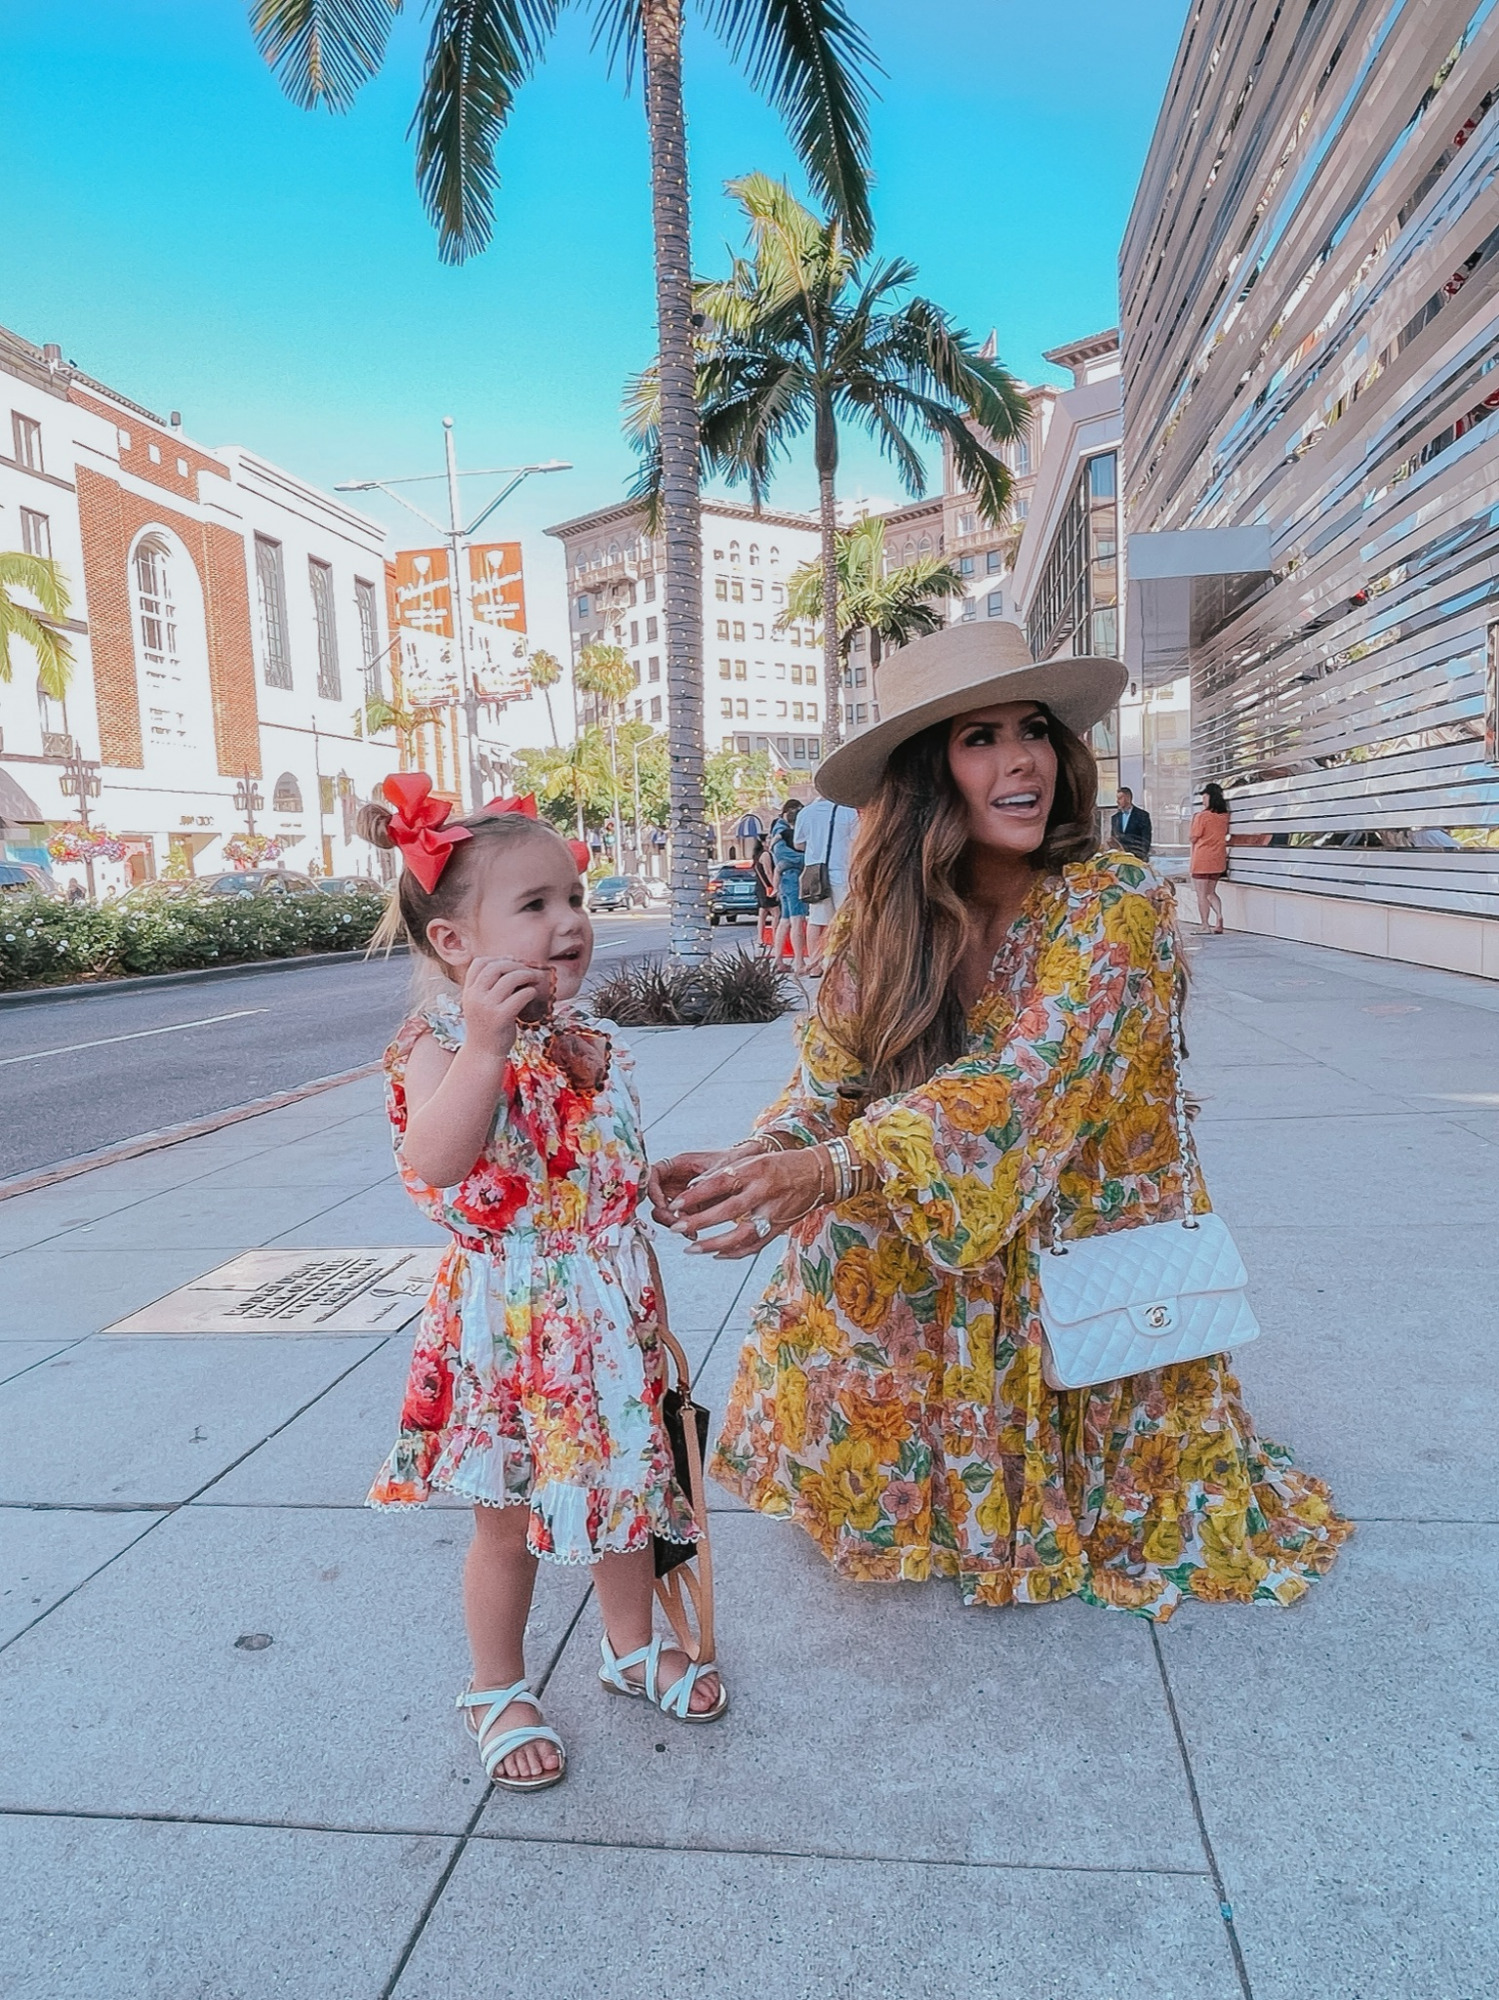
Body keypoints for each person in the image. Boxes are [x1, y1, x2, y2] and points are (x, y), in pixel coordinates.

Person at [650, 620, 1348, 1620]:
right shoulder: (883, 917)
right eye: (978, 736)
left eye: (1029, 730)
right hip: (966, 1215)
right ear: (929, 774)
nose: (1019, 758)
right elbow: (829, 1082)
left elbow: (1022, 1081)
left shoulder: (1111, 902)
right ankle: (913, 1478)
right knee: (842, 1212)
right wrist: (758, 1157)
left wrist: (832, 1167)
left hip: (1075, 1223)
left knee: (857, 1179)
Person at [359, 773, 725, 1794]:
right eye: (535, 904)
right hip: (506, 1326)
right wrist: (481, 1046)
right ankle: (495, 1682)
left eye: (576, 898)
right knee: (502, 1516)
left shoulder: (579, 1040)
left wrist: (640, 1182)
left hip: (605, 1317)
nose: (569, 921)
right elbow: (435, 1159)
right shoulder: (436, 1044)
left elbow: (575, 1159)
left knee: (628, 1491)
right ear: (453, 945)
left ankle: (627, 1640)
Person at [793, 794, 858, 973]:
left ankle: (815, 966)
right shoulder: (849, 812)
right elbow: (855, 843)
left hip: (815, 874)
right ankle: (840, 965)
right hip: (841, 872)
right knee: (844, 920)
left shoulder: (805, 813)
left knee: (816, 920)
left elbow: (798, 844)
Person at [769, 798, 808, 974]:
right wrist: (809, 859)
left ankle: (779, 960)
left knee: (785, 921)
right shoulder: (783, 831)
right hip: (792, 879)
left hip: (786, 878)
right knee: (796, 920)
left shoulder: (779, 831)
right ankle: (799, 961)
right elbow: (785, 857)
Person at [1190, 782, 1231, 933]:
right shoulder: (1224, 817)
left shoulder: (1202, 816)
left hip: (1202, 859)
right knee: (1211, 892)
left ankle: (1205, 925)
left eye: (1205, 796)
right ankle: (1219, 916)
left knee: (1201, 894)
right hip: (1218, 859)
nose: (1203, 799)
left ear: (1209, 797)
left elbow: (1194, 837)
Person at [751, 834, 779, 951]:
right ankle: (775, 938)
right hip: (767, 887)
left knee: (762, 915)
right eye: (768, 839)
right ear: (763, 843)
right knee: (776, 914)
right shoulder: (766, 855)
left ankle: (760, 939)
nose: (770, 841)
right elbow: (768, 872)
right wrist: (775, 886)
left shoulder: (757, 856)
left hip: (760, 888)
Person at [1110, 786, 1152, 859]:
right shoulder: (1115, 818)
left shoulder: (1142, 816)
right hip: (1120, 858)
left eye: (1120, 798)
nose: (1117, 801)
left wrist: (1140, 856)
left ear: (1128, 798)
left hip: (1137, 858)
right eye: (1117, 798)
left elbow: (1146, 839)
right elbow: (1114, 839)